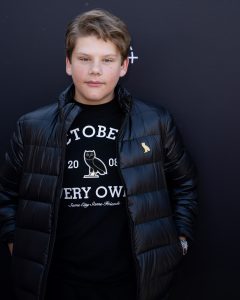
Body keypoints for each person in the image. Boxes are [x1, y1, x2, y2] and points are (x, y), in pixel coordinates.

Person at [0, 9, 198, 300]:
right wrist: (17, 244)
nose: (95, 70)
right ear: (68, 64)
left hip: (134, 284)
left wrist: (179, 242)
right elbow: (7, 194)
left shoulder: (154, 122)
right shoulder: (33, 127)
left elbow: (185, 186)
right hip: (56, 284)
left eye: (107, 60)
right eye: (84, 59)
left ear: (123, 66)